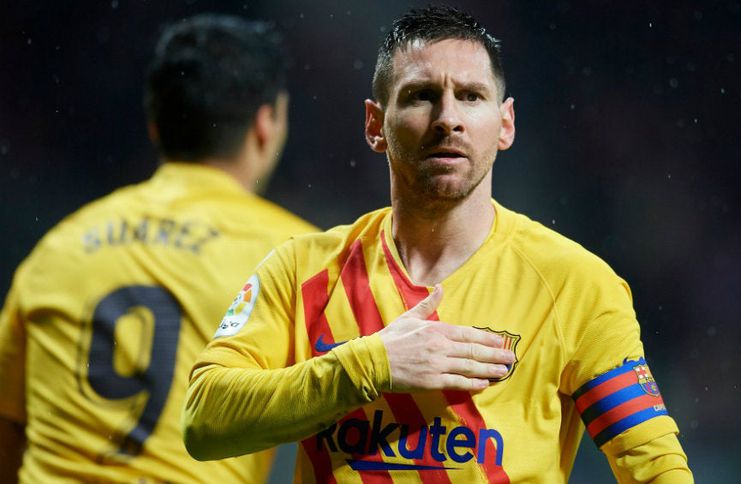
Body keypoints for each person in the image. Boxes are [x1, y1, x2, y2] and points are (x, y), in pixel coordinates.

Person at [183, 6, 693, 483]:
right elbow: (204, 419)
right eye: (421, 95)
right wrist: (370, 365)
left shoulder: (575, 285)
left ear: (505, 124)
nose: (448, 117)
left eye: (470, 96)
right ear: (374, 125)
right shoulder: (303, 270)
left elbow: (655, 467)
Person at [0, 14, 317, 483]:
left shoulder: (58, 248)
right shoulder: (304, 258)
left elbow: (8, 427)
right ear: (265, 123)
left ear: (155, 124)